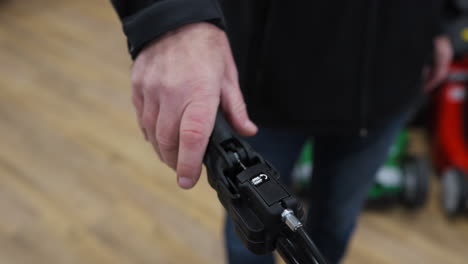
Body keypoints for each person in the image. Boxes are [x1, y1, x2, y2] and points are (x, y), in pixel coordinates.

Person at [110, 1, 453, 263]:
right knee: (250, 231)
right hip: (266, 85)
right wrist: (170, 15)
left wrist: (445, 21)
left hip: (392, 78)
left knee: (336, 223)